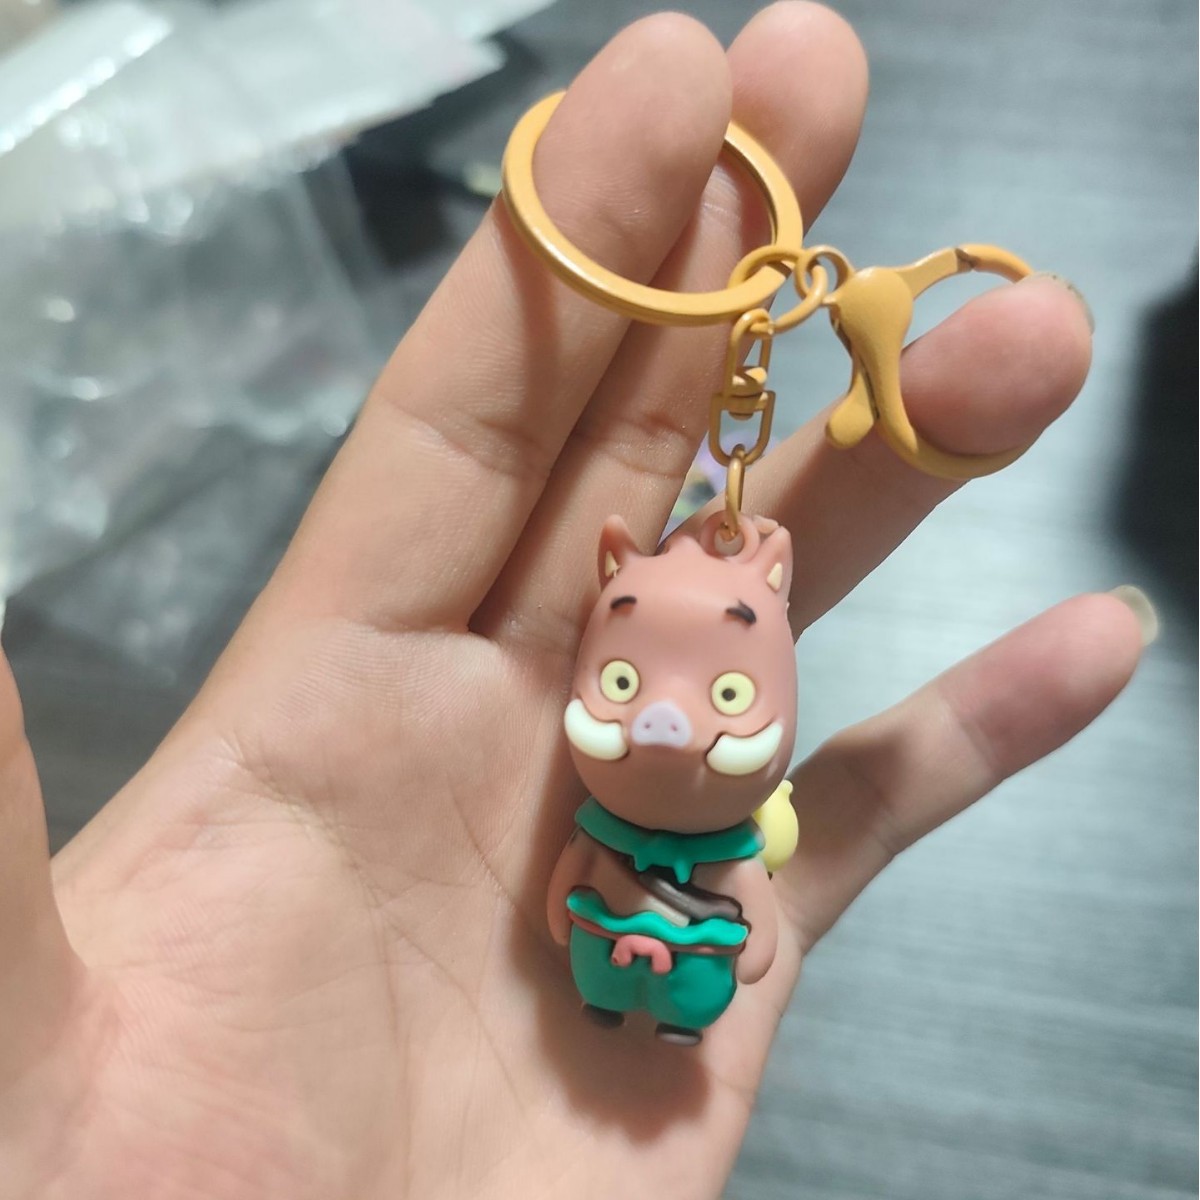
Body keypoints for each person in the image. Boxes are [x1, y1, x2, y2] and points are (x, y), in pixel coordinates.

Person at [0, 5, 1151, 1197]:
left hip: (687, 962)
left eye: (726, 694)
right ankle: (612, 1009)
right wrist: (572, 913)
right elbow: (569, 883)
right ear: (609, 583)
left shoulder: (723, 832)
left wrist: (740, 924)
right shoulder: (605, 820)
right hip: (606, 953)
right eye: (625, 679)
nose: (665, 718)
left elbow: (746, 900)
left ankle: (653, 1015)